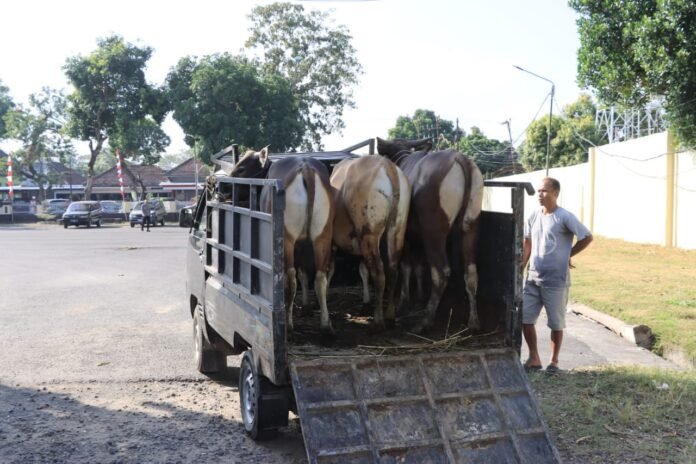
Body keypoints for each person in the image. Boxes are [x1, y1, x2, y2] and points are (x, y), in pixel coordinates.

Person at [522, 177, 593, 373]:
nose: (540, 195)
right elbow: (528, 242)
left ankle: (554, 362)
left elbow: (587, 237)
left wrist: (568, 254)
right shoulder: (533, 216)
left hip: (556, 281)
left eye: (544, 191)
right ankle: (534, 358)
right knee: (525, 319)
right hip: (533, 278)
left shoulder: (564, 217)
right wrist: (522, 264)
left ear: (555, 193)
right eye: (538, 191)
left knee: (555, 323)